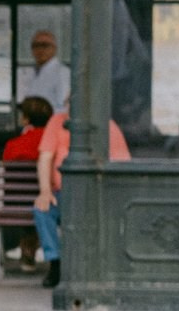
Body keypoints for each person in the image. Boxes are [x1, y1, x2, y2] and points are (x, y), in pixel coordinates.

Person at [34, 103, 131, 289]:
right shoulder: (57, 122)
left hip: (96, 195)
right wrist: (45, 191)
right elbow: (45, 158)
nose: (73, 108)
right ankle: (56, 263)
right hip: (62, 194)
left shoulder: (107, 126)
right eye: (69, 103)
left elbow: (121, 163)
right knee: (42, 210)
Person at [0, 95, 53, 273]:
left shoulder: (14, 144)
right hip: (48, 201)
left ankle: (28, 253)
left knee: (30, 204)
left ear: (26, 119)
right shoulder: (52, 143)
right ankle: (34, 249)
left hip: (15, 202)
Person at [19, 28, 71, 111]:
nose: (39, 50)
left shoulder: (62, 73)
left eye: (44, 45)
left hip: (51, 122)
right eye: (35, 46)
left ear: (54, 48)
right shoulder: (32, 72)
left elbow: (64, 108)